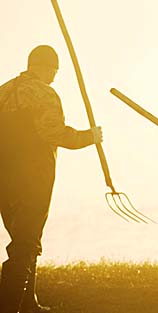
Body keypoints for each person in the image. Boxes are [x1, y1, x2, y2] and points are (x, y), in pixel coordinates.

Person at [0, 45, 103, 313]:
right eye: (54, 71)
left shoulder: (4, 90)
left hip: (3, 178)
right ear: (45, 67)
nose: (55, 77)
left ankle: (28, 303)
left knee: (24, 237)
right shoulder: (43, 93)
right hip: (32, 176)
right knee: (25, 242)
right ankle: (9, 306)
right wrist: (89, 137)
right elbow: (54, 134)